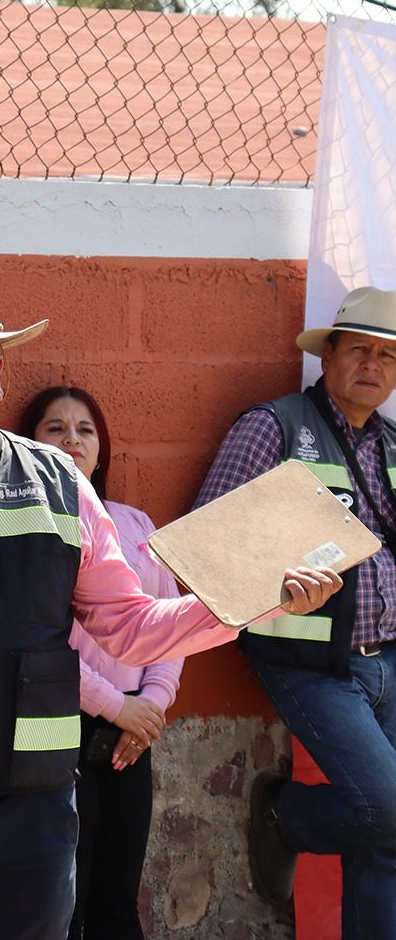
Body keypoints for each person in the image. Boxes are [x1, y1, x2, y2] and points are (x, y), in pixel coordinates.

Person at [0, 278, 342, 940]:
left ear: (3, 376)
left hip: (30, 828)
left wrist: (252, 597)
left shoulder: (60, 486)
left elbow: (132, 629)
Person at [194, 286, 396, 939]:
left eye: (388, 356)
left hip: (390, 655)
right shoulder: (275, 427)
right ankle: (288, 815)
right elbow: (207, 548)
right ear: (328, 355)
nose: (373, 364)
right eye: (360, 349)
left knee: (388, 839)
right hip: (310, 663)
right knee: (389, 809)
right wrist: (277, 577)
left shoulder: (393, 445)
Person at [27, 385, 182, 940]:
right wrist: (118, 708)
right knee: (64, 907)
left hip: (130, 740)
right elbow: (44, 639)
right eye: (55, 428)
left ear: (102, 447)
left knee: (118, 903)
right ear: (27, 442)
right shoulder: (21, 530)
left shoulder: (137, 525)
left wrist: (150, 709)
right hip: (57, 732)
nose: (72, 439)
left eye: (84, 429)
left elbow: (168, 624)